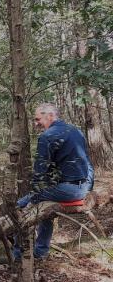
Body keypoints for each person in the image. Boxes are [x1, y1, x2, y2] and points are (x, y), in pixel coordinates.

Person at [14, 103, 94, 260]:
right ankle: (41, 251)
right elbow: (88, 163)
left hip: (70, 190)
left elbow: (40, 172)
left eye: (37, 119)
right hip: (81, 187)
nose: (35, 123)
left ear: (50, 115)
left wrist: (34, 199)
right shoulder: (76, 130)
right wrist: (88, 187)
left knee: (20, 206)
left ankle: (17, 255)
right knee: (45, 209)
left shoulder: (47, 136)